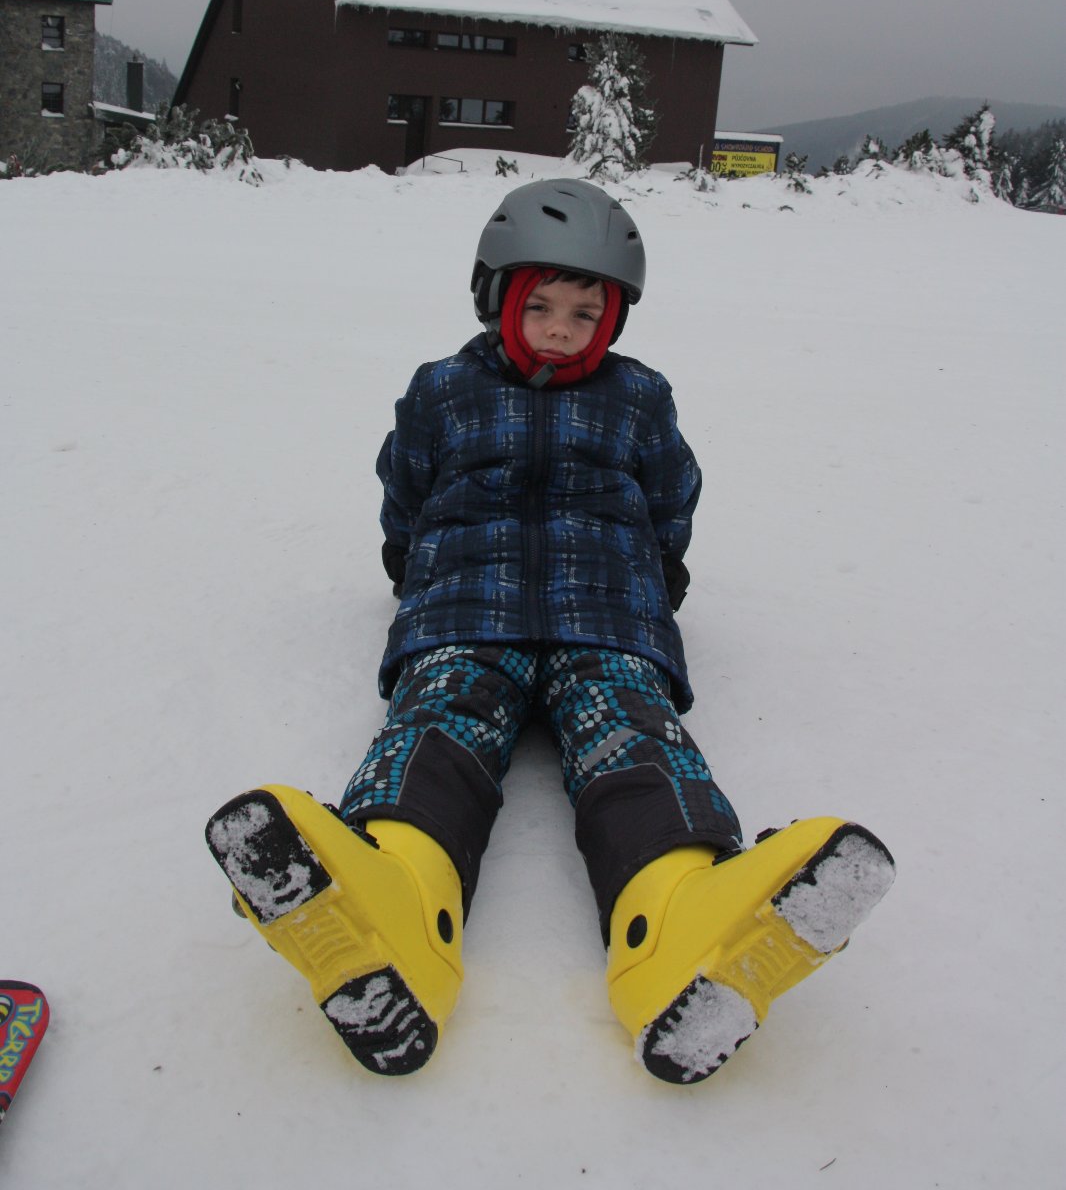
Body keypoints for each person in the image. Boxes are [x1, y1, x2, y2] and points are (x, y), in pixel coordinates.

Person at [206, 179, 894, 1085]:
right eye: (540, 307)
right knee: (438, 727)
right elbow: (405, 487)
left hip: (605, 611)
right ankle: (391, 903)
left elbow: (671, 499)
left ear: (614, 320)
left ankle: (682, 924)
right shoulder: (443, 390)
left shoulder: (638, 397)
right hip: (467, 606)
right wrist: (413, 572)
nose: (561, 330)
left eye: (585, 313)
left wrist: (655, 584)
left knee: (634, 739)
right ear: (496, 297)